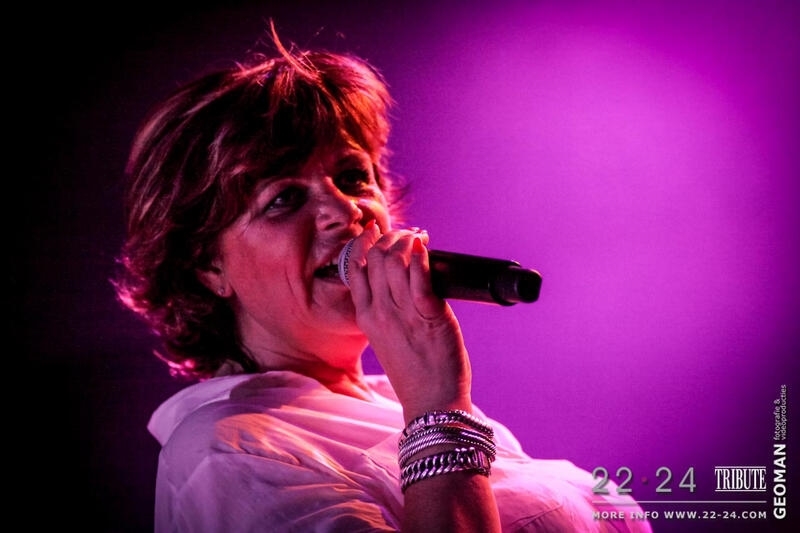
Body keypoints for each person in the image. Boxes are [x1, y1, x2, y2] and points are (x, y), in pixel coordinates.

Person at [114, 25, 652, 532]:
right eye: (284, 198)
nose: (345, 211)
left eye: (353, 176)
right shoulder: (227, 450)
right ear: (208, 265)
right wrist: (438, 411)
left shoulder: (390, 403)